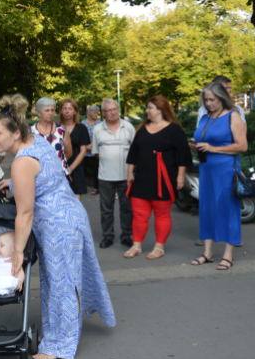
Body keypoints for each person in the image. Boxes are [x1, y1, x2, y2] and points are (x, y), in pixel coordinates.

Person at [0, 94, 115, 359]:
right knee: (65, 279)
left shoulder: (21, 163)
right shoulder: (37, 142)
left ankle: (60, 344)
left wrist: (18, 252)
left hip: (57, 226)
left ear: (15, 133)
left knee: (60, 284)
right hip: (72, 215)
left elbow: (24, 213)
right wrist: (12, 184)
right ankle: (57, 332)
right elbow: (45, 176)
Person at [124, 96, 192, 260]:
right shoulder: (142, 128)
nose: (147, 111)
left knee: (162, 214)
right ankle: (137, 246)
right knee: (139, 214)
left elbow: (183, 155)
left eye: (150, 108)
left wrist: (181, 176)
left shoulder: (175, 130)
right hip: (142, 178)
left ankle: (159, 247)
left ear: (160, 110)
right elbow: (133, 151)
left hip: (164, 178)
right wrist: (130, 173)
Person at [189, 82, 248, 270]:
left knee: (227, 209)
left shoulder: (233, 116)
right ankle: (207, 253)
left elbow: (242, 146)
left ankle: (228, 255)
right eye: (206, 100)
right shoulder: (204, 118)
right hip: (206, 169)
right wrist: (194, 146)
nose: (209, 103)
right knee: (207, 208)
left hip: (226, 170)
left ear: (222, 98)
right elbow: (202, 141)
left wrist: (213, 148)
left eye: (212, 100)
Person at [92, 98, 135, 249]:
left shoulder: (128, 127)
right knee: (106, 209)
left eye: (115, 109)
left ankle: (126, 235)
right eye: (109, 110)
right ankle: (108, 236)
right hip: (105, 176)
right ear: (103, 113)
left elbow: (135, 152)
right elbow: (97, 153)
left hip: (126, 176)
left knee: (127, 207)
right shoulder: (98, 129)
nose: (113, 112)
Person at [30, 97, 72, 176]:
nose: (50, 113)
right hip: (39, 176)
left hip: (60, 175)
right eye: (47, 110)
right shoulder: (31, 132)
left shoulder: (61, 130)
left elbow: (68, 152)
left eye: (52, 110)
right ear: (38, 113)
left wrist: (56, 163)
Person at [60, 98, 90, 199]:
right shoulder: (57, 128)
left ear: (75, 111)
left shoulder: (81, 128)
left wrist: (71, 168)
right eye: (64, 108)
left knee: (76, 201)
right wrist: (64, 169)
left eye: (70, 108)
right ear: (61, 111)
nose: (67, 111)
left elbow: (83, 151)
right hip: (60, 165)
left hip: (76, 166)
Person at [82, 105, 101, 195]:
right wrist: (86, 146)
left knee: (96, 169)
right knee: (82, 169)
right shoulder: (83, 123)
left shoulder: (100, 123)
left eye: (97, 113)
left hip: (96, 150)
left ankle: (96, 188)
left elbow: (101, 136)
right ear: (89, 113)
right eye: (94, 113)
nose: (96, 114)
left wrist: (92, 144)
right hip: (84, 150)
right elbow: (80, 136)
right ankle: (81, 187)